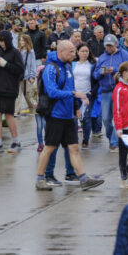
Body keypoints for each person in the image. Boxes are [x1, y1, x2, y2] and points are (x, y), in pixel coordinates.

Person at [34, 40, 104, 191]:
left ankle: (83, 179)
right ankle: (40, 179)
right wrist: (73, 94)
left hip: (68, 116)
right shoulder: (50, 68)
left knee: (73, 147)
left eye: (74, 51)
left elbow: (70, 87)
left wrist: (75, 106)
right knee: (49, 147)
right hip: (55, 115)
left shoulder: (67, 66)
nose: (74, 54)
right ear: (61, 52)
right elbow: (52, 92)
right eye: (71, 52)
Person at [0, 29, 24, 154]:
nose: (1, 43)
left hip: (9, 89)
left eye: (2, 40)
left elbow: (19, 70)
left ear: (8, 40)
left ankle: (16, 141)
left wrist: (5, 64)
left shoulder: (15, 53)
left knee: (8, 115)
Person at [94, 34, 128, 152]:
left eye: (110, 45)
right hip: (105, 91)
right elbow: (95, 75)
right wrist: (101, 72)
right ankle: (112, 139)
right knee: (106, 118)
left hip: (120, 90)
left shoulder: (124, 54)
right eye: (107, 46)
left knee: (119, 117)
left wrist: (115, 70)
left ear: (116, 44)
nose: (108, 48)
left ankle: (114, 143)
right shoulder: (102, 57)